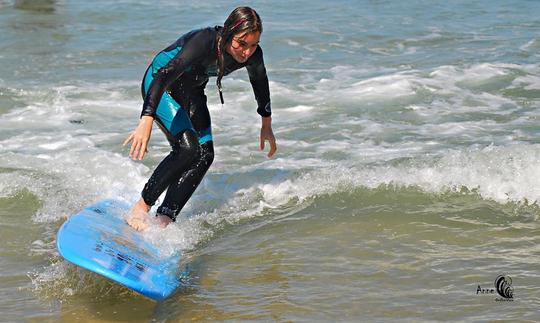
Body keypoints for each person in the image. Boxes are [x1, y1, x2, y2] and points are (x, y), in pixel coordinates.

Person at [123, 7, 277, 230]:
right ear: (227, 34)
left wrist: (266, 123)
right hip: (160, 84)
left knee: (205, 154)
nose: (246, 52)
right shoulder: (204, 40)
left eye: (253, 45)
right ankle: (140, 208)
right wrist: (146, 117)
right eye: (241, 44)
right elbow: (166, 73)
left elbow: (260, 83)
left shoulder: (252, 55)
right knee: (187, 148)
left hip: (192, 90)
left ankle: (165, 218)